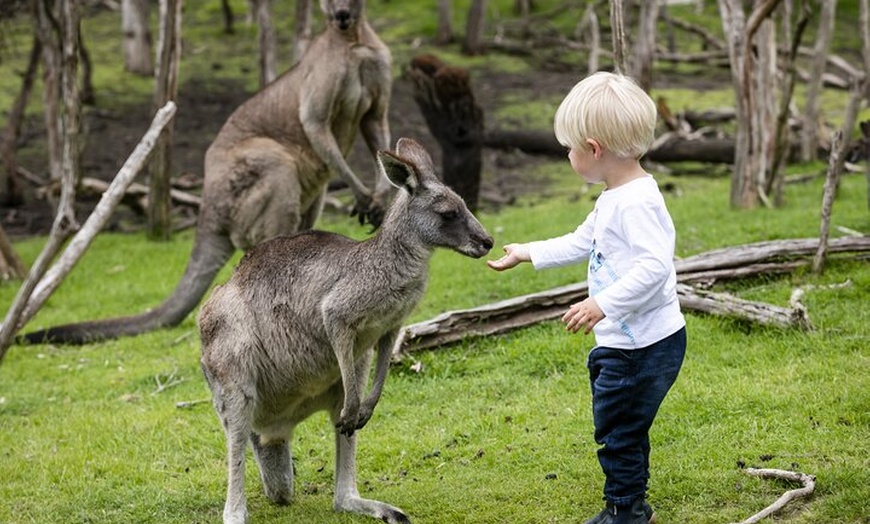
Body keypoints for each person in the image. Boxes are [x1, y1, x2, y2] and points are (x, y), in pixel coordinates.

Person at [487, 71, 686, 524]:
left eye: (570, 149)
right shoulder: (614, 196)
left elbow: (655, 268)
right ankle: (633, 503)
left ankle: (626, 511)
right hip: (625, 341)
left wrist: (602, 305)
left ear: (593, 150)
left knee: (617, 430)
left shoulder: (635, 203)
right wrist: (528, 252)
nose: (568, 156)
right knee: (624, 426)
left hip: (642, 346)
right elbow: (582, 241)